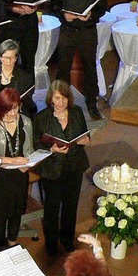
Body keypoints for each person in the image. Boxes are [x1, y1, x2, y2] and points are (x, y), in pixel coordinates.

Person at [33, 80, 90, 256]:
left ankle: (67, 239)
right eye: (57, 98)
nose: (61, 102)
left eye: (64, 98)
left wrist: (85, 140)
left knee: (70, 205)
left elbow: (85, 134)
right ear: (51, 99)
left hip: (74, 166)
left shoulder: (77, 112)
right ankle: (51, 242)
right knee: (52, 207)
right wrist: (51, 149)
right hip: (52, 168)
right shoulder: (42, 118)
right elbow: (35, 143)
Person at [52, 0, 107, 120]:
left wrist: (92, 15)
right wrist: (63, 15)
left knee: (90, 67)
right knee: (63, 68)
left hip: (87, 31)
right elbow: (54, 4)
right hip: (68, 31)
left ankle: (92, 104)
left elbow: (102, 7)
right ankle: (61, 103)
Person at [0, 88, 34, 247]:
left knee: (16, 213)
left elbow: (29, 150)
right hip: (0, 176)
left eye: (16, 107)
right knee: (0, 216)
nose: (13, 113)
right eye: (9, 109)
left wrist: (27, 163)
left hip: (20, 174)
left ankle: (12, 244)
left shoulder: (26, 121)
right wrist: (11, 161)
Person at [0, 39, 36, 119]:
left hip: (16, 115)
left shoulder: (25, 77)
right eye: (5, 57)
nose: (8, 61)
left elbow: (27, 102)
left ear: (16, 58)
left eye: (12, 58)